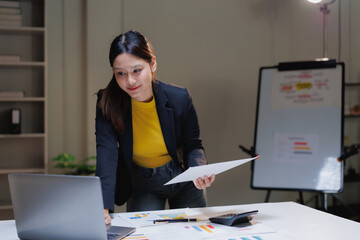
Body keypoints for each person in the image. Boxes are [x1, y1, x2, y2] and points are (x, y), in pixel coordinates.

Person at [95, 30, 215, 224]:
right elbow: (106, 155)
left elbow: (193, 146)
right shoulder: (107, 103)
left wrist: (199, 169)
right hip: (143, 183)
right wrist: (102, 206)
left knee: (195, 234)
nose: (130, 81)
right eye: (121, 74)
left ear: (152, 64)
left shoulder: (179, 97)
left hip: (184, 178)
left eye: (137, 70)